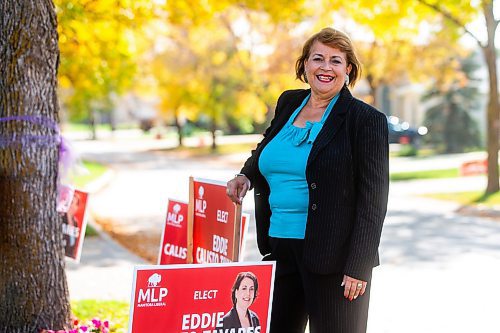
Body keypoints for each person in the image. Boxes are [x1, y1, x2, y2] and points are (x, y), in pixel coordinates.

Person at [226, 27, 389, 333]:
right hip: (279, 249)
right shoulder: (289, 103)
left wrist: (359, 266)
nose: (326, 67)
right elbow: (267, 148)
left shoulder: (365, 120)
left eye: (336, 61)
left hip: (335, 259)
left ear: (348, 69)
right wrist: (245, 175)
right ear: (304, 65)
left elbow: (374, 201)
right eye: (318, 58)